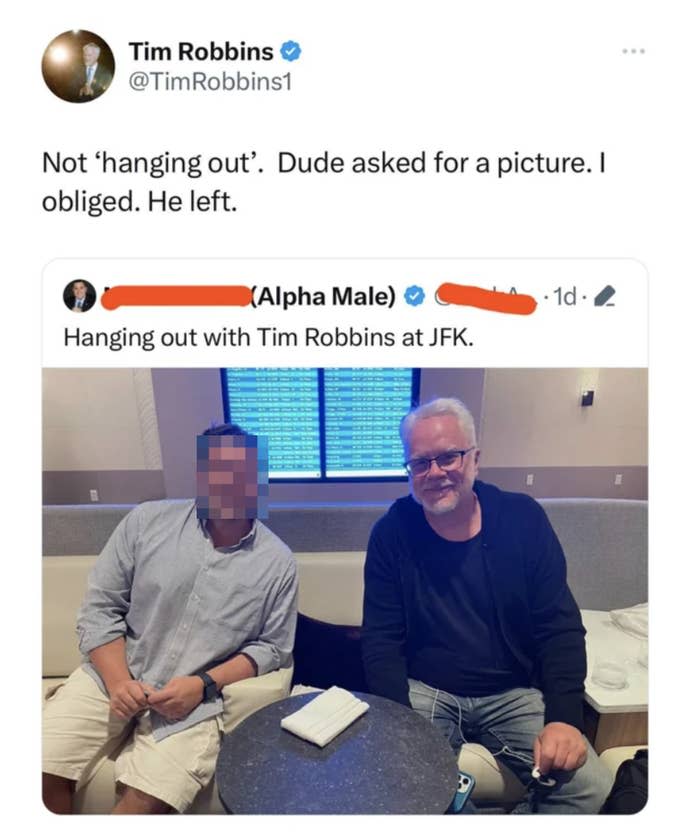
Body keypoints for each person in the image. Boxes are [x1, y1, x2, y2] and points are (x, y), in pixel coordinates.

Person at [361, 398, 613, 813]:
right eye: (420, 463)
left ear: (475, 458)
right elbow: (380, 640)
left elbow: (559, 625)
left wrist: (565, 718)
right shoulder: (392, 532)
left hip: (512, 692)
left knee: (595, 789)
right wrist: (399, 726)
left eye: (449, 457)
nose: (435, 473)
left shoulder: (523, 519)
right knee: (401, 786)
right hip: (426, 691)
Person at [42, 423, 298, 814]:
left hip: (193, 702)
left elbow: (271, 648)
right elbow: (100, 609)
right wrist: (119, 682)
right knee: (40, 767)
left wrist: (202, 684)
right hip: (108, 678)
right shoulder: (146, 523)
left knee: (143, 805)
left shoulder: (277, 562)